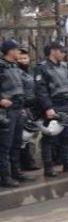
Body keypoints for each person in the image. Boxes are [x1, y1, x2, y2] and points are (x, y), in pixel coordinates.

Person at [35, 42, 68, 177]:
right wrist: (48, 108)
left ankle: (67, 163)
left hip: (66, 104)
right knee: (50, 138)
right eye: (61, 51)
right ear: (53, 51)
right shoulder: (42, 68)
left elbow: (67, 84)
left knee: (66, 136)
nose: (64, 54)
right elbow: (41, 90)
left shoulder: (63, 67)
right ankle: (49, 167)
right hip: (53, 104)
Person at [0, 40, 33, 187]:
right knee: (5, 146)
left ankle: (16, 172)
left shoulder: (14, 66)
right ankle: (5, 177)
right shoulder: (1, 67)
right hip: (6, 112)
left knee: (16, 143)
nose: (19, 52)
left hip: (18, 109)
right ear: (9, 51)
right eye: (16, 49)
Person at [17, 48, 40, 172]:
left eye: (25, 58)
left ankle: (29, 161)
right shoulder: (15, 72)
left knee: (29, 137)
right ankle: (22, 164)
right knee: (21, 138)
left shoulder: (32, 71)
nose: (23, 60)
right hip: (21, 108)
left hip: (32, 107)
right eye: (20, 58)